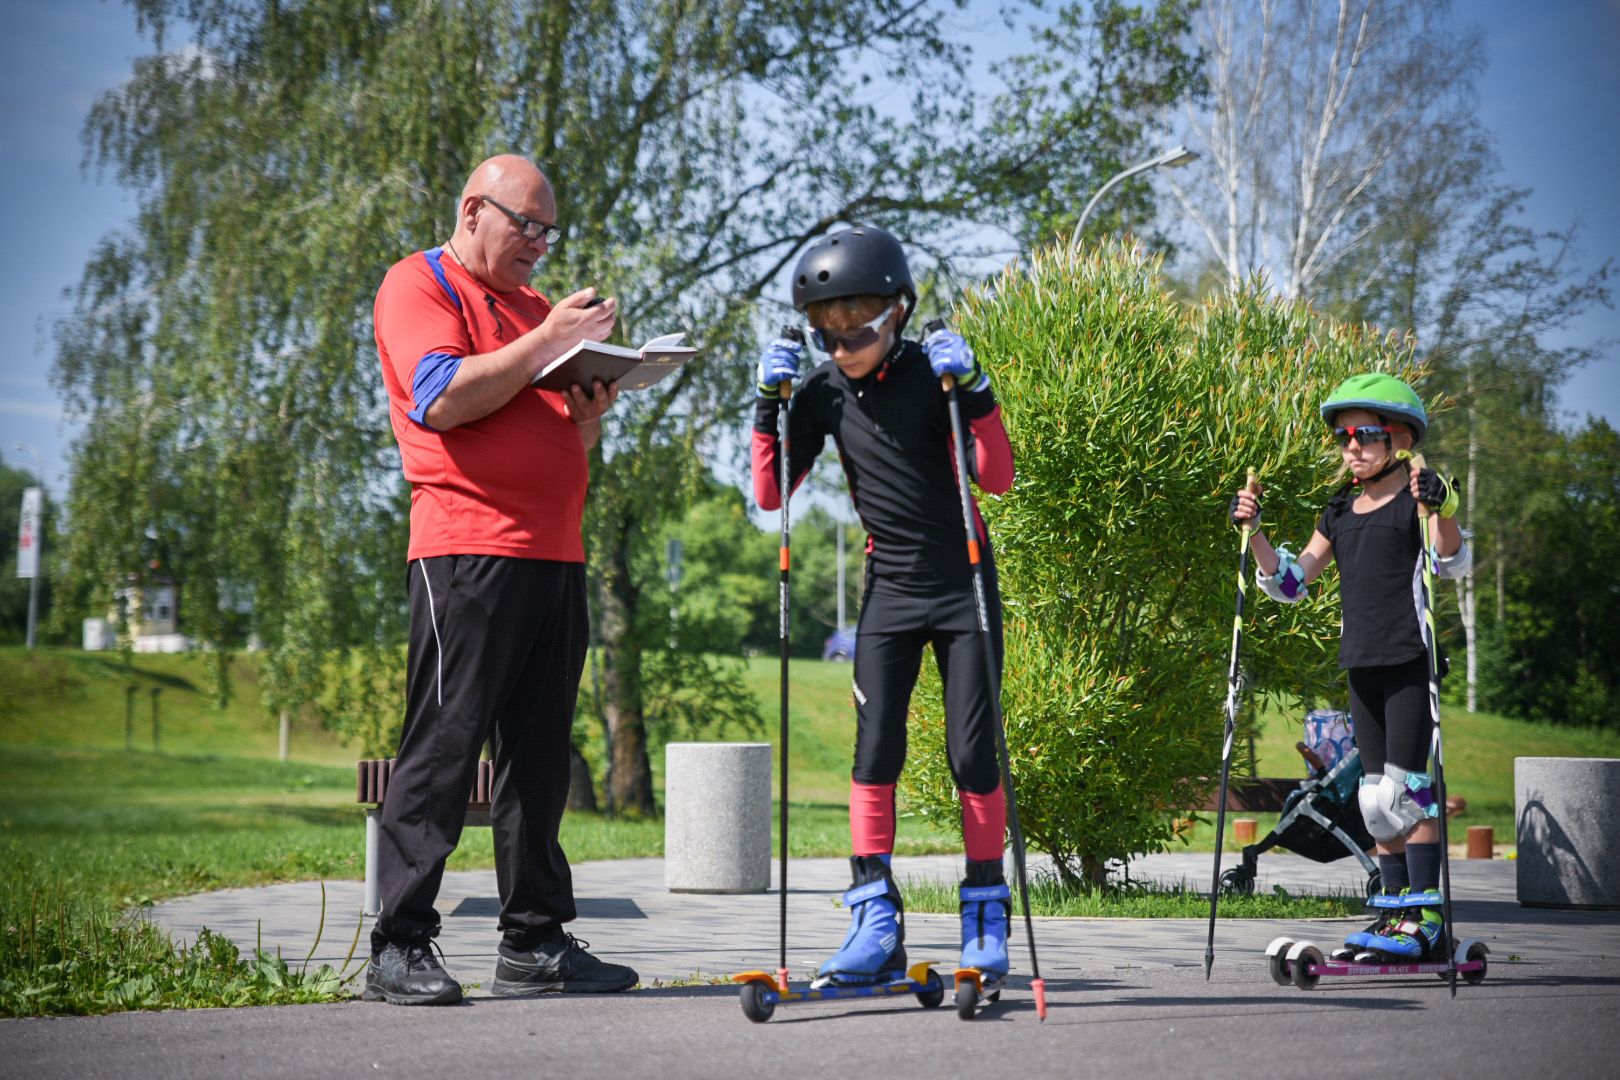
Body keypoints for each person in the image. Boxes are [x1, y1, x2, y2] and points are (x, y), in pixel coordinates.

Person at [368, 154, 637, 1004]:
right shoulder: (419, 286)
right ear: (474, 210)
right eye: (527, 225)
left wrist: (588, 414)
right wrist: (547, 343)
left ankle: (533, 943)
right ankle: (399, 942)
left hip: (556, 555)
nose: (539, 245)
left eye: (549, 231)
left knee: (540, 759)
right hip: (466, 550)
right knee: (445, 749)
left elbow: (558, 440)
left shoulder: (530, 312)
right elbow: (440, 398)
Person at [751, 225, 1017, 986]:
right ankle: (875, 918)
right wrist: (765, 405)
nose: (841, 343)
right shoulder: (823, 394)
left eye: (857, 321)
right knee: (874, 756)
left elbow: (993, 478)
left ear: (898, 310)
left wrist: (976, 389)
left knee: (972, 755)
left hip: (962, 583)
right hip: (890, 592)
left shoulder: (933, 379)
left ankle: (984, 912)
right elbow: (771, 494)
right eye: (824, 328)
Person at [1230, 373, 1471, 963]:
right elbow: (1291, 582)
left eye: (1364, 435)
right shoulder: (1338, 509)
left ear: (1399, 439)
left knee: (1409, 791)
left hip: (1411, 661)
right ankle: (1395, 919)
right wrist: (1256, 533)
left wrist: (1441, 507)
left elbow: (1452, 562)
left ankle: (1428, 922)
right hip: (1361, 663)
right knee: (1373, 800)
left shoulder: (1419, 500)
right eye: (1344, 437)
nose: (1352, 447)